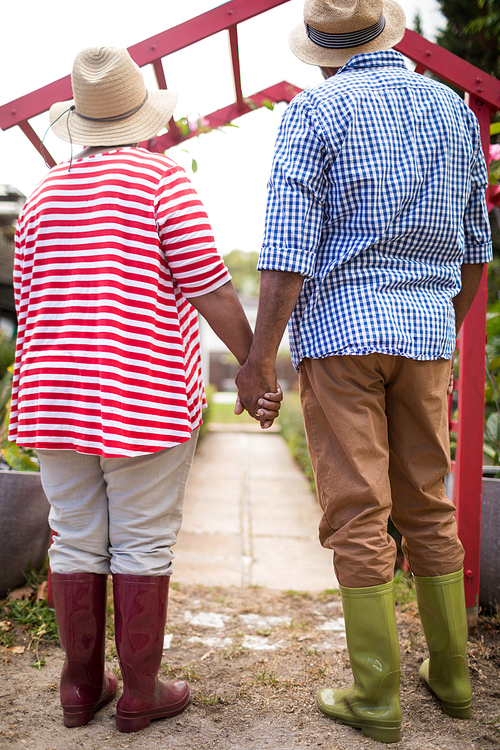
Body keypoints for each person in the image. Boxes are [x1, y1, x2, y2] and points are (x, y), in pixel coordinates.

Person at [236, 0, 492, 743]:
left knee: (357, 509)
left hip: (343, 337)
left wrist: (258, 362)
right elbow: (477, 246)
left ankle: (377, 698)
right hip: (423, 335)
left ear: (321, 50)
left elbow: (287, 253)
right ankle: (451, 680)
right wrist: (440, 326)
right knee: (428, 503)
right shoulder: (450, 110)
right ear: (389, 35)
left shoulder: (314, 114)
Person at [11, 46, 281, 734]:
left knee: (73, 537)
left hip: (51, 399)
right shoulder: (162, 182)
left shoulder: (42, 196)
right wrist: (253, 368)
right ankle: (140, 690)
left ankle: (78, 689)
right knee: (141, 542)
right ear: (142, 117)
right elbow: (211, 288)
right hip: (144, 398)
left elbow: (29, 300)